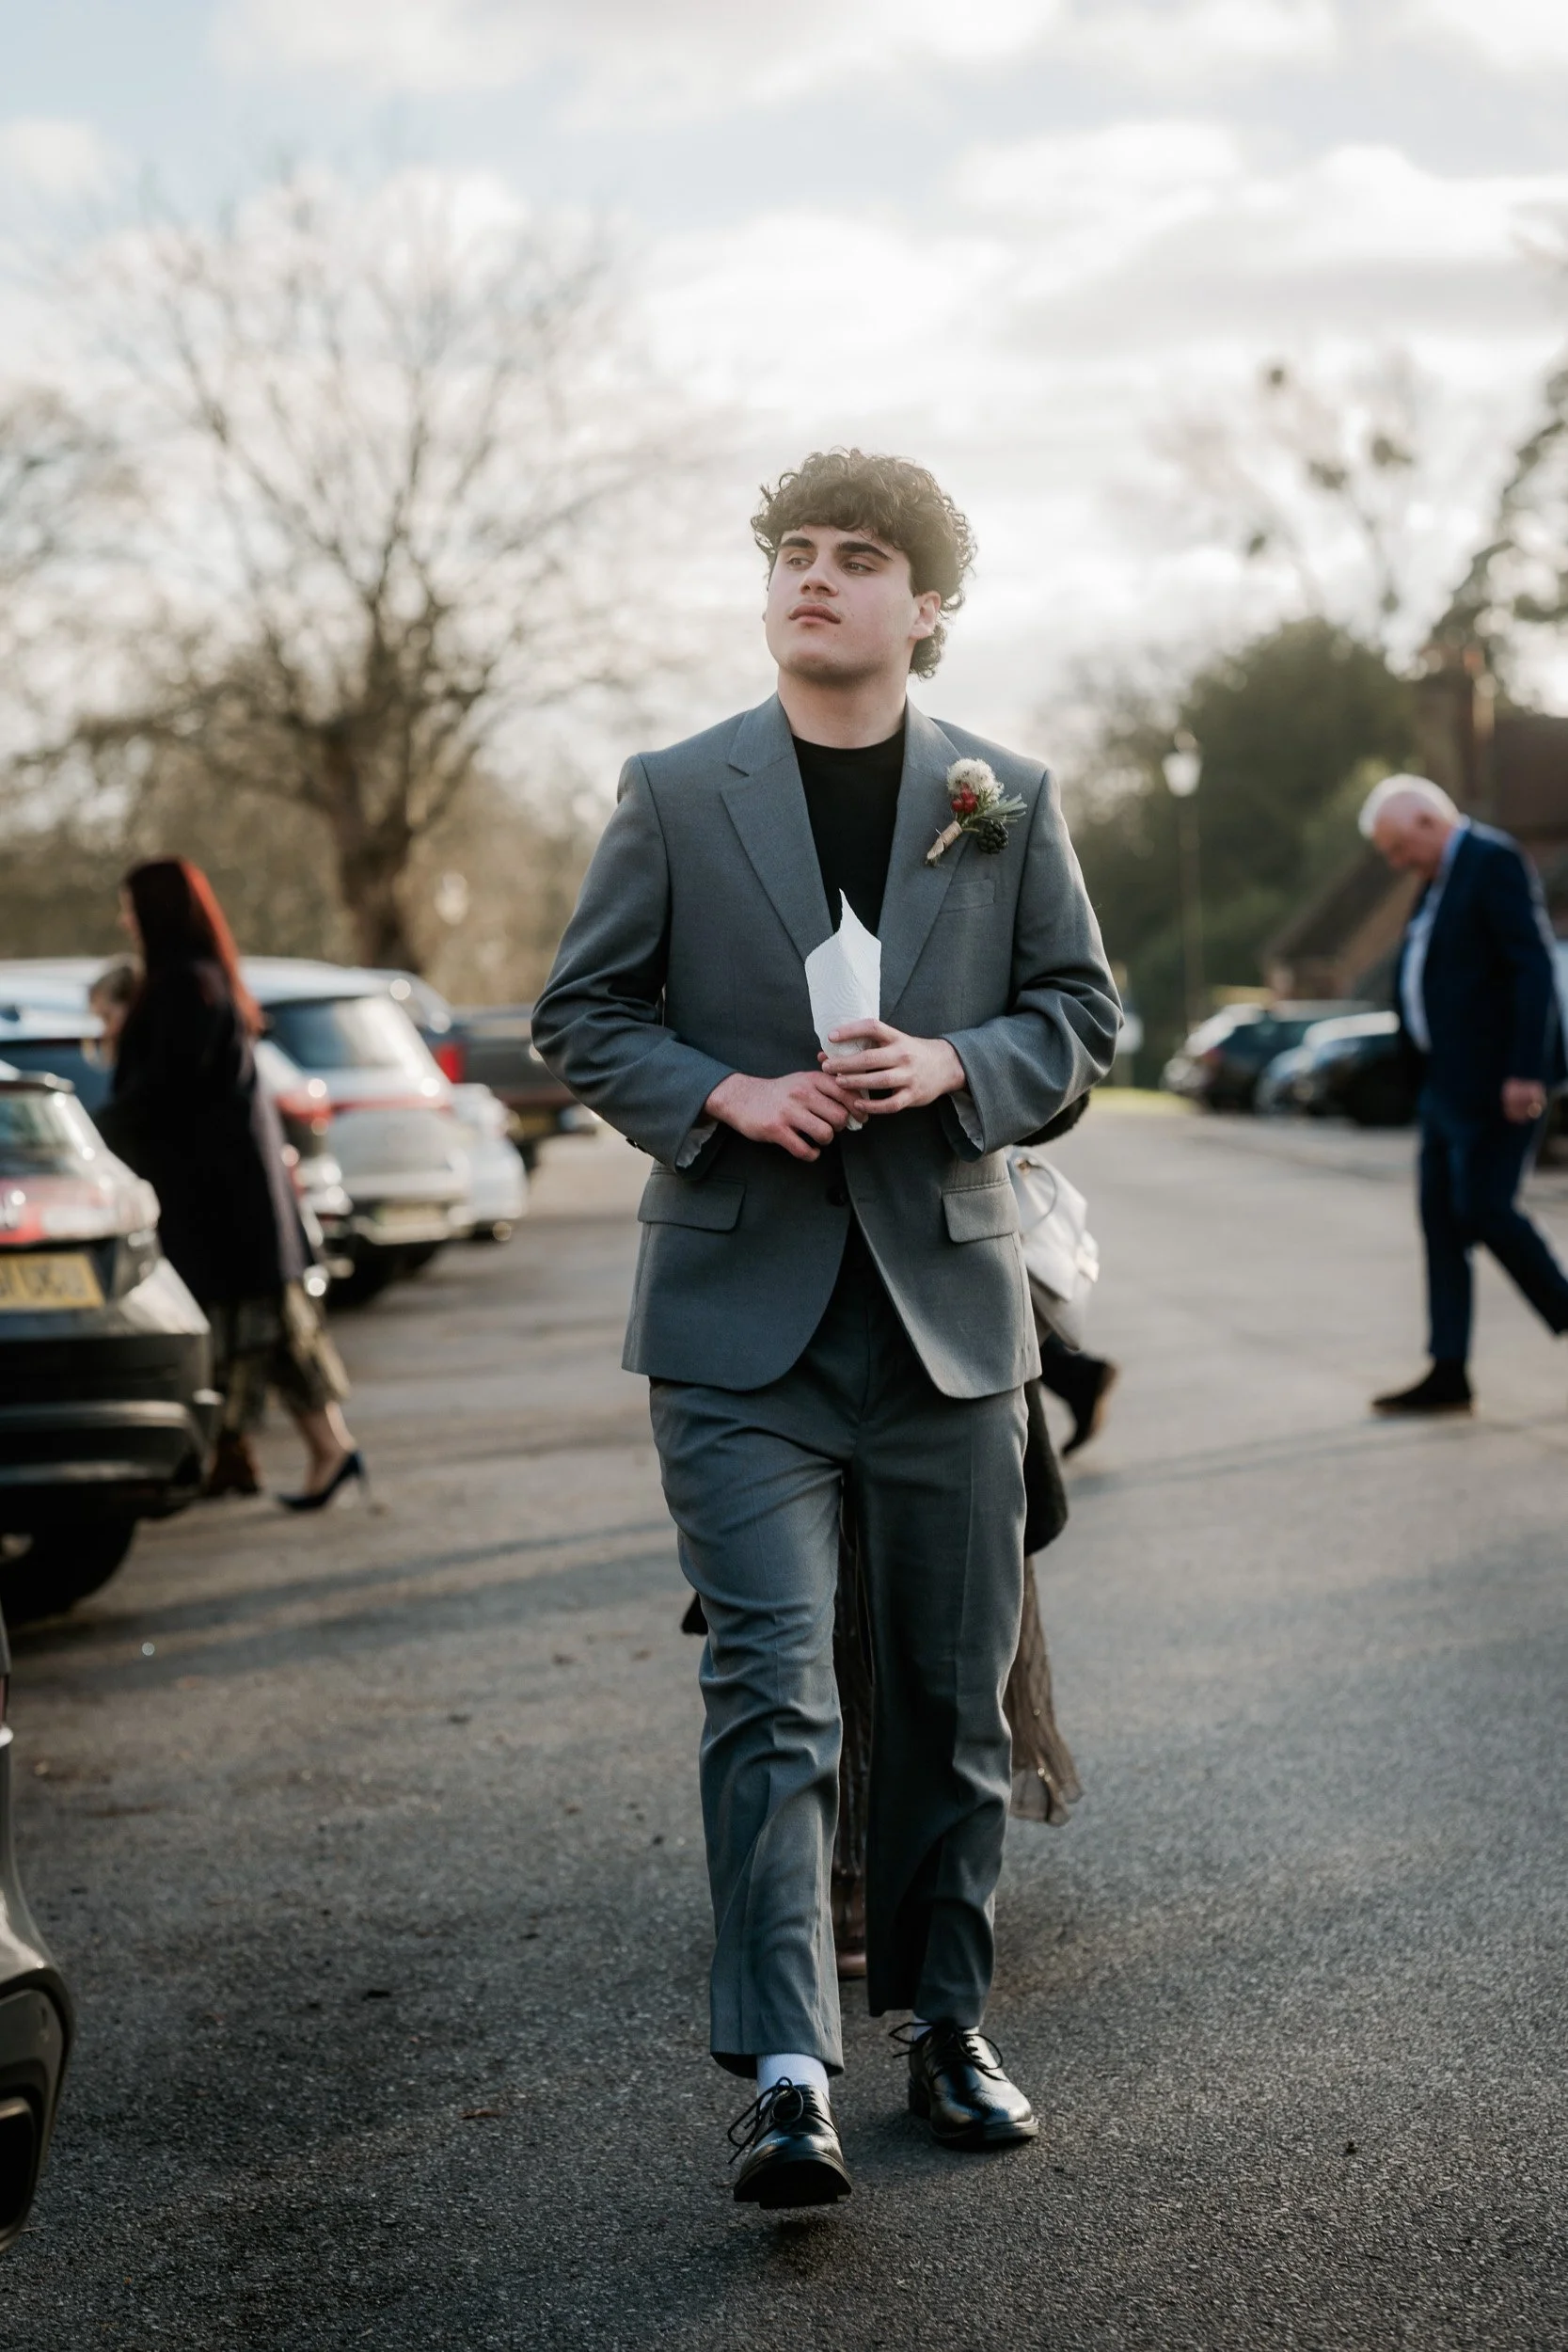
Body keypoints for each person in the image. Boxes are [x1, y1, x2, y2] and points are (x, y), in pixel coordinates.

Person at [534, 448, 1118, 2208]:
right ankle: (787, 2069)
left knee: (943, 1707)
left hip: (947, 1318)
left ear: (924, 608)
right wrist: (721, 1094)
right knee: (772, 1692)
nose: (817, 576)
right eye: (796, 551)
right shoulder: (670, 787)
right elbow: (584, 1011)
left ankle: (947, 2028)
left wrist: (957, 1065)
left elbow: (1082, 1016)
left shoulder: (999, 794)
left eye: (860, 558)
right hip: (736, 1327)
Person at [97, 861, 364, 1507]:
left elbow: (161, 1093)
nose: (125, 919)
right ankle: (329, 1451)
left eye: (132, 906)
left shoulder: (185, 987)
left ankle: (306, 1453)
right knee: (274, 1333)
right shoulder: (203, 980)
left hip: (217, 1202)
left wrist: (93, 1135)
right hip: (237, 1201)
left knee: (257, 1333)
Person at [1362, 775, 1568, 1414]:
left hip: (1496, 1083)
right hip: (1442, 1086)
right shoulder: (1434, 883)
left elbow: (1530, 965)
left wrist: (1525, 1070)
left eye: (1398, 847)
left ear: (1427, 821)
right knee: (1440, 1223)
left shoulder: (1492, 861)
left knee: (1485, 1210)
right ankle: (1447, 1371)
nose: (1397, 863)